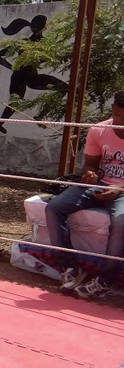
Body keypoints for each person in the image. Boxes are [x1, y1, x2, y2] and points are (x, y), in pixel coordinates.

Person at [44, 90, 124, 298]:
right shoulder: (99, 130)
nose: (118, 121)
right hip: (99, 185)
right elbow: (91, 164)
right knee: (54, 207)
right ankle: (70, 268)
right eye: (116, 114)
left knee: (121, 222)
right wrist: (89, 174)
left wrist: (119, 190)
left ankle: (104, 281)